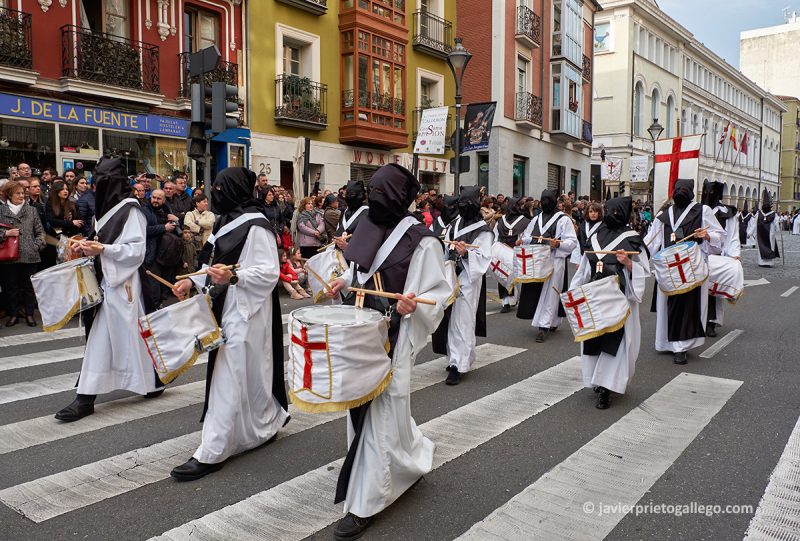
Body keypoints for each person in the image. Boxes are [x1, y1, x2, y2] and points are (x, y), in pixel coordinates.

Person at [326, 163, 452, 540]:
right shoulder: (368, 224)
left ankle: (368, 499)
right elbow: (360, 271)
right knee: (365, 407)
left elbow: (437, 293)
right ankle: (404, 461)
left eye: (381, 194)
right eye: (372, 193)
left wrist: (415, 306)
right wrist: (342, 280)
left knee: (382, 410)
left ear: (397, 197)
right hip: (360, 330)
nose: (374, 200)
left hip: (394, 335)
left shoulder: (422, 240)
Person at [171, 167, 289, 481]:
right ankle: (266, 423)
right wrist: (192, 283)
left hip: (247, 310)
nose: (214, 194)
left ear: (234, 190)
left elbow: (268, 272)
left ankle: (213, 449)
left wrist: (237, 276)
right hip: (226, 306)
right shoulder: (224, 222)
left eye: (220, 188)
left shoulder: (258, 225)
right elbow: (211, 266)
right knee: (245, 372)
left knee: (230, 372)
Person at [54, 158, 160, 422]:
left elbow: (137, 251)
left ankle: (148, 382)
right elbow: (101, 241)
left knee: (127, 337)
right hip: (107, 281)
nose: (97, 186)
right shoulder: (104, 211)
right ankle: (88, 396)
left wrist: (102, 249)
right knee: (107, 339)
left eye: (103, 181)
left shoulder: (132, 210)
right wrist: (85, 245)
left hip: (125, 285)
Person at [571, 197, 649, 409]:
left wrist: (629, 263)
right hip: (595, 295)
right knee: (595, 338)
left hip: (619, 298)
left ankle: (607, 387)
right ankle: (597, 382)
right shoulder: (595, 235)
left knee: (617, 343)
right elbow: (585, 267)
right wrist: (573, 291)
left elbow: (644, 271)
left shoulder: (633, 238)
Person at [644, 179, 725, 365]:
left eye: (684, 189)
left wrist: (707, 235)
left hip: (691, 268)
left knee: (687, 305)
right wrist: (636, 251)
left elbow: (720, 236)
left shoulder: (702, 211)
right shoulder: (663, 215)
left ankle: (681, 347)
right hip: (668, 268)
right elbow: (651, 240)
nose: (680, 192)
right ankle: (666, 342)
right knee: (668, 304)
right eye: (677, 189)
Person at [432, 186, 492, 385]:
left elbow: (484, 258)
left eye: (468, 204)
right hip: (451, 274)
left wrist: (466, 253)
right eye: (461, 204)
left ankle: (460, 364)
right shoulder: (455, 223)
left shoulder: (483, 230)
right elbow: (445, 246)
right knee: (450, 319)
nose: (464, 207)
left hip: (468, 277)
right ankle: (454, 358)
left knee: (463, 320)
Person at [517, 189, 578, 342]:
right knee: (538, 291)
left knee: (551, 293)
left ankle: (544, 326)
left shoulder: (563, 219)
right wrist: (522, 241)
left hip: (554, 260)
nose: (545, 203)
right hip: (537, 260)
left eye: (548, 200)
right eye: (542, 200)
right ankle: (553, 320)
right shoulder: (536, 219)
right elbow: (527, 236)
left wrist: (558, 244)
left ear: (555, 201)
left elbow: (572, 242)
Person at [0, 181, 45, 327]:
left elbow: (40, 232)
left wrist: (36, 246)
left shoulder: (31, 210)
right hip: (8, 255)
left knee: (29, 287)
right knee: (10, 287)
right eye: (18, 193)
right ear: (9, 195)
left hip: (29, 255)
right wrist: (6, 233)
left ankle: (30, 314)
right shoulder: (1, 210)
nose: (21, 195)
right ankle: (13, 314)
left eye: (22, 193)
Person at [701, 181, 741, 337]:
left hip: (720, 256)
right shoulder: (699, 211)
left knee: (714, 291)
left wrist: (734, 254)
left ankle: (711, 321)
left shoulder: (727, 213)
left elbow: (732, 235)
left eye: (711, 193)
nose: (708, 196)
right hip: (701, 255)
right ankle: (699, 320)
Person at [493, 197, 531, 313]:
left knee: (510, 274)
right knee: (505, 274)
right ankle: (507, 301)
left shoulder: (521, 220)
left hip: (511, 251)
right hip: (509, 251)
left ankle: (511, 301)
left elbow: (495, 237)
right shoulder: (523, 220)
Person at [747, 191, 781, 267]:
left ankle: (762, 262)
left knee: (762, 246)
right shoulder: (773, 214)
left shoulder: (759, 214)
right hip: (770, 234)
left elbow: (754, 225)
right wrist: (777, 228)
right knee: (769, 246)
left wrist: (750, 233)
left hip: (761, 233)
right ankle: (768, 262)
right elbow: (776, 225)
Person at [334, 180, 368, 251]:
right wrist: (337, 240)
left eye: (352, 194)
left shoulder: (367, 212)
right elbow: (340, 228)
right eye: (347, 194)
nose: (349, 197)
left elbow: (366, 239)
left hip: (355, 256)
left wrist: (348, 246)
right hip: (341, 253)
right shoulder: (347, 210)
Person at [571, 201, 603, 266]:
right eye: (591, 212)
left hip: (598, 257)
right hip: (584, 256)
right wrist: (578, 260)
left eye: (596, 212)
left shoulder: (603, 225)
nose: (593, 214)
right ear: (587, 213)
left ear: (599, 213)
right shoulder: (583, 225)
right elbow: (578, 243)